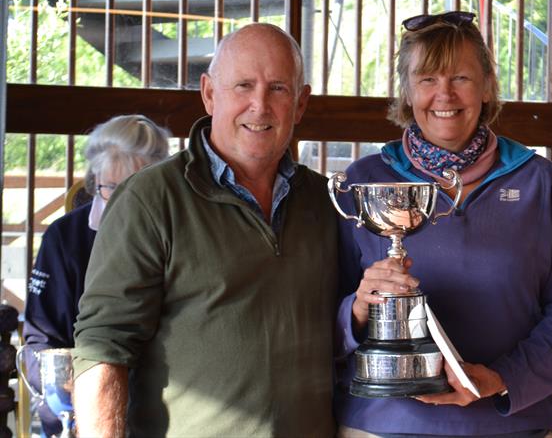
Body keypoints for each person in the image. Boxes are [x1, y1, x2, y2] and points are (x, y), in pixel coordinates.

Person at [335, 11, 552, 437]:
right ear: (407, 91)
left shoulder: (535, 180)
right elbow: (307, 315)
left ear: (486, 87)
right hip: (383, 427)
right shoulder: (364, 182)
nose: (444, 95)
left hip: (509, 425)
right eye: (427, 79)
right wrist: (356, 309)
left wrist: (502, 379)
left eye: (460, 77)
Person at [71, 23, 339, 437]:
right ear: (209, 94)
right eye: (243, 86)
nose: (260, 105)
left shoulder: (327, 201)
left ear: (301, 103)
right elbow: (102, 349)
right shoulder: (150, 198)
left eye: (278, 89)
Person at [22, 114, 170, 437]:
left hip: (163, 405)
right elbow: (40, 343)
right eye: (110, 189)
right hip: (77, 409)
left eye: (137, 190)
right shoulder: (64, 239)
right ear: (94, 182)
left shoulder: (178, 235)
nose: (122, 204)